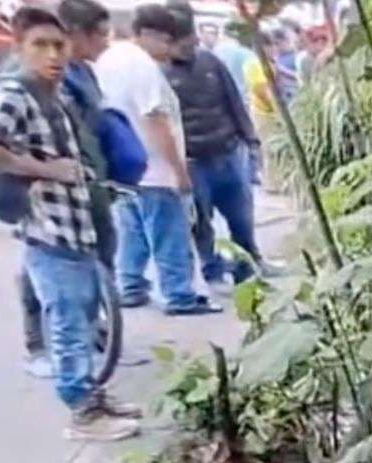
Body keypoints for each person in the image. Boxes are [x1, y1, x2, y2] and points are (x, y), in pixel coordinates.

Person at [0, 5, 139, 440]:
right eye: (40, 45)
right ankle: (82, 413)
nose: (52, 54)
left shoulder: (55, 92)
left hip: (75, 225)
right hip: (49, 231)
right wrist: (45, 169)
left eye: (58, 45)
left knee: (82, 315)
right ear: (19, 48)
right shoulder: (14, 93)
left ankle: (93, 397)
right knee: (68, 323)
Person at [95, 4, 217, 314]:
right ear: (150, 35)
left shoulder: (109, 58)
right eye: (168, 41)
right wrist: (179, 170)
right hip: (155, 167)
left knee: (132, 229)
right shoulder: (142, 66)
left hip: (125, 165)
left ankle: (131, 285)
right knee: (169, 232)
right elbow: (155, 120)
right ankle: (179, 294)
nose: (171, 50)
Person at [20, 0, 119, 376]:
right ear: (76, 34)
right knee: (50, 275)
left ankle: (92, 337)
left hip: (88, 187)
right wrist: (45, 170)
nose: (106, 43)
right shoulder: (23, 84)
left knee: (95, 263)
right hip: (49, 199)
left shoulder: (81, 74)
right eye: (100, 35)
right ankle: (43, 349)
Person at [162, 0, 261, 291]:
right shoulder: (159, 74)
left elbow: (233, 100)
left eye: (191, 39)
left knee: (242, 217)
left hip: (228, 153)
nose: (189, 46)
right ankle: (213, 271)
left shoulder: (210, 62)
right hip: (193, 162)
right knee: (201, 223)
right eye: (181, 42)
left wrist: (250, 138)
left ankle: (249, 266)